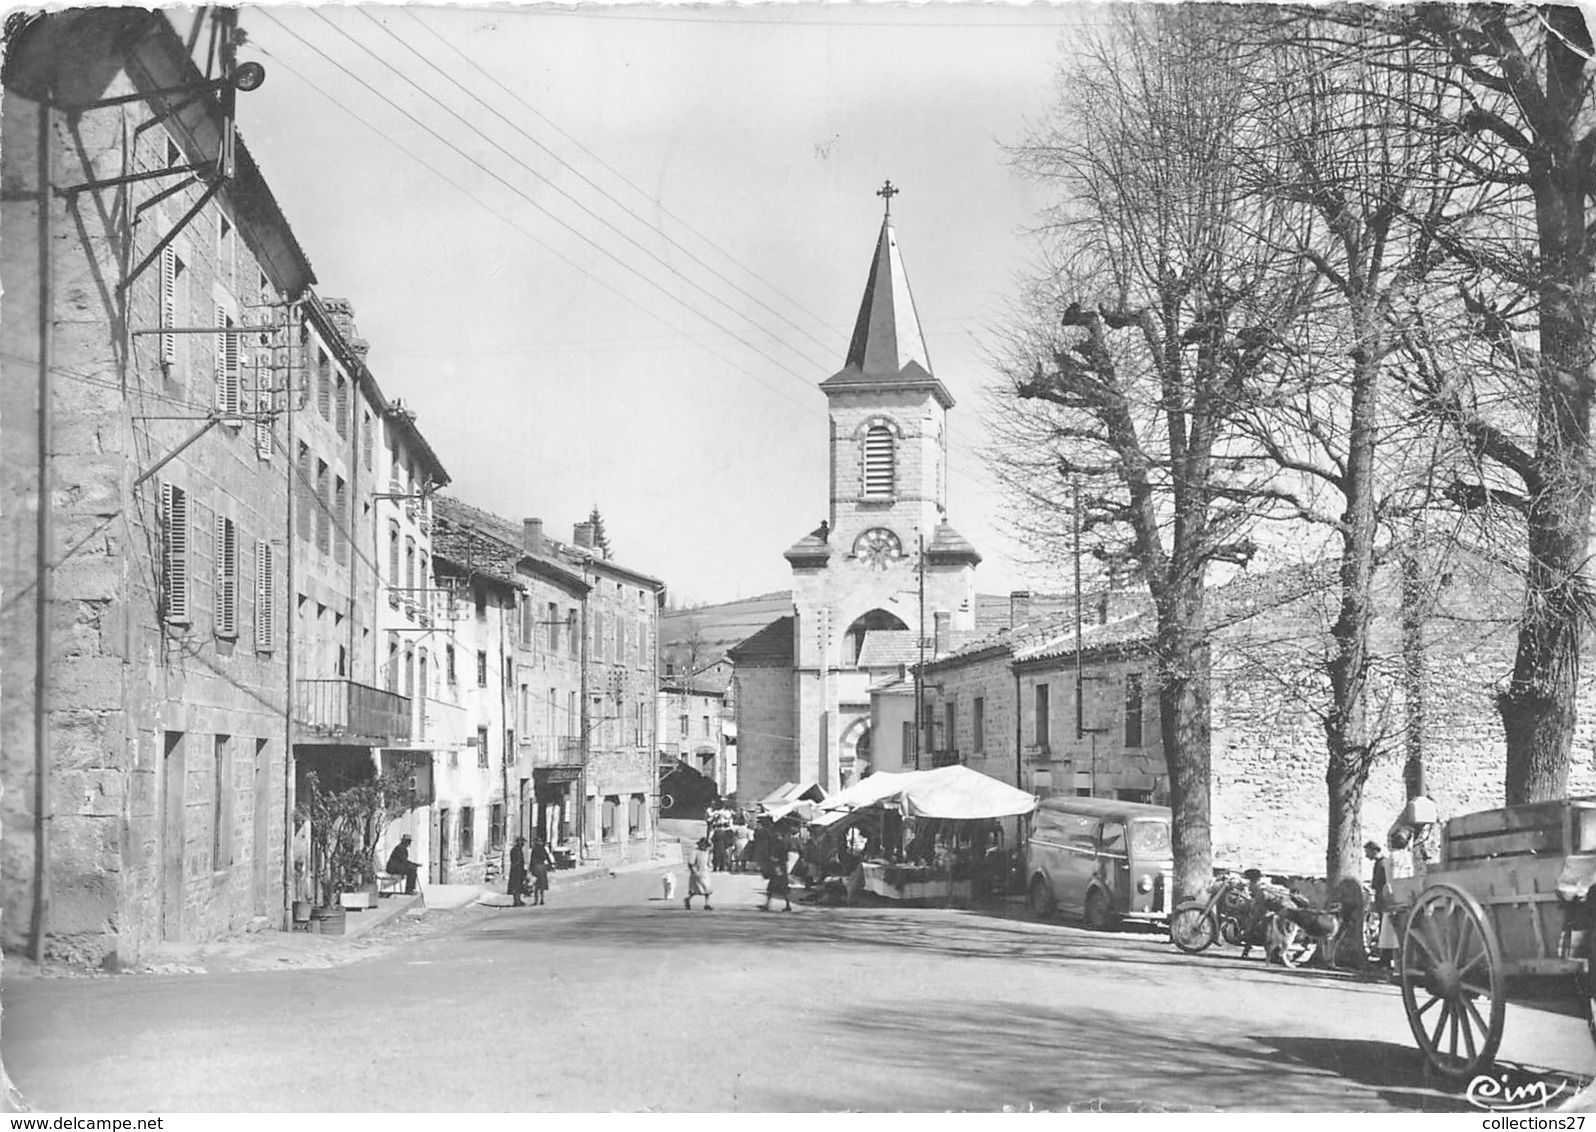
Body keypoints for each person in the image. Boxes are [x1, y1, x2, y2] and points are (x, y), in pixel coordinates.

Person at [1365, 839, 1394, 970]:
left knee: (1385, 929)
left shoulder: (1382, 864)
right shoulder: (1381, 863)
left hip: (1384, 901)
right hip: (1382, 901)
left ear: (1374, 850)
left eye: (1367, 852)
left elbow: (1379, 884)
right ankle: (1385, 958)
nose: (1366, 855)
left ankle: (1386, 960)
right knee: (1384, 929)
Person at [685, 837, 714, 911]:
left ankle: (707, 904)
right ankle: (688, 899)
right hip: (697, 872)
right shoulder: (695, 852)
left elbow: (709, 862)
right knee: (695, 889)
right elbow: (690, 863)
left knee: (707, 888)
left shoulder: (707, 853)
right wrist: (694, 871)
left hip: (705, 872)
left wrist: (710, 867)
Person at [529, 836, 553, 906]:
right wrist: (551, 865)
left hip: (536, 867)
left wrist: (531, 868)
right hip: (542, 867)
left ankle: (536, 901)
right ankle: (542, 899)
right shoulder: (543, 849)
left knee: (536, 885)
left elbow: (532, 859)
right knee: (542, 884)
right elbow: (547, 857)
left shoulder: (534, 849)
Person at [508, 836, 527, 907]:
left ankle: (518, 899)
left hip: (519, 870)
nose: (523, 844)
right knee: (515, 886)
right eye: (522, 842)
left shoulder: (519, 849)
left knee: (519, 886)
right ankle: (516, 901)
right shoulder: (515, 850)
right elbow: (515, 861)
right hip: (515, 870)